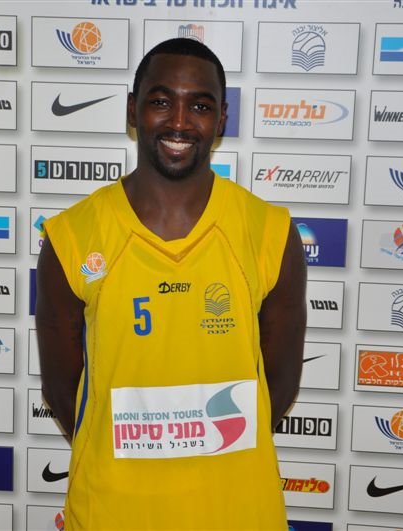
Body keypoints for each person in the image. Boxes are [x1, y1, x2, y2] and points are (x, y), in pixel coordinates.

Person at [36, 37, 307, 530]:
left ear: (221, 120)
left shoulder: (270, 231)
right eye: (161, 101)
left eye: (199, 106)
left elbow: (280, 382)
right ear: (132, 110)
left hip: (237, 508)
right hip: (113, 509)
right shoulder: (71, 236)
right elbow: (62, 388)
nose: (179, 122)